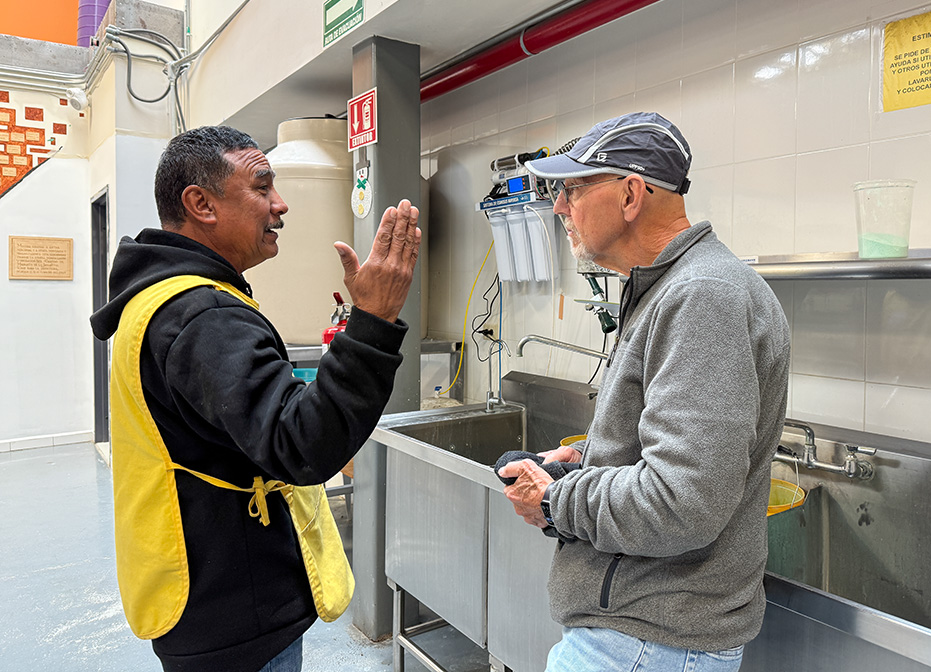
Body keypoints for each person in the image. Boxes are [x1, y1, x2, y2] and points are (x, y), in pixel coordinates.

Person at [90, 125, 420, 672]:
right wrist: (372, 324)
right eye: (262, 186)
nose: (280, 203)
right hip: (235, 609)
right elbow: (303, 445)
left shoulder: (160, 297)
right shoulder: (204, 316)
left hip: (203, 591)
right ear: (201, 204)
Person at [499, 112, 790, 672]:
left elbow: (684, 501)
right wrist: (580, 462)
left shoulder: (703, 297)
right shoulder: (670, 288)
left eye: (574, 188)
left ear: (631, 194)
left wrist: (556, 502)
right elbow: (659, 449)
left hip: (648, 644)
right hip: (637, 636)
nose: (560, 206)